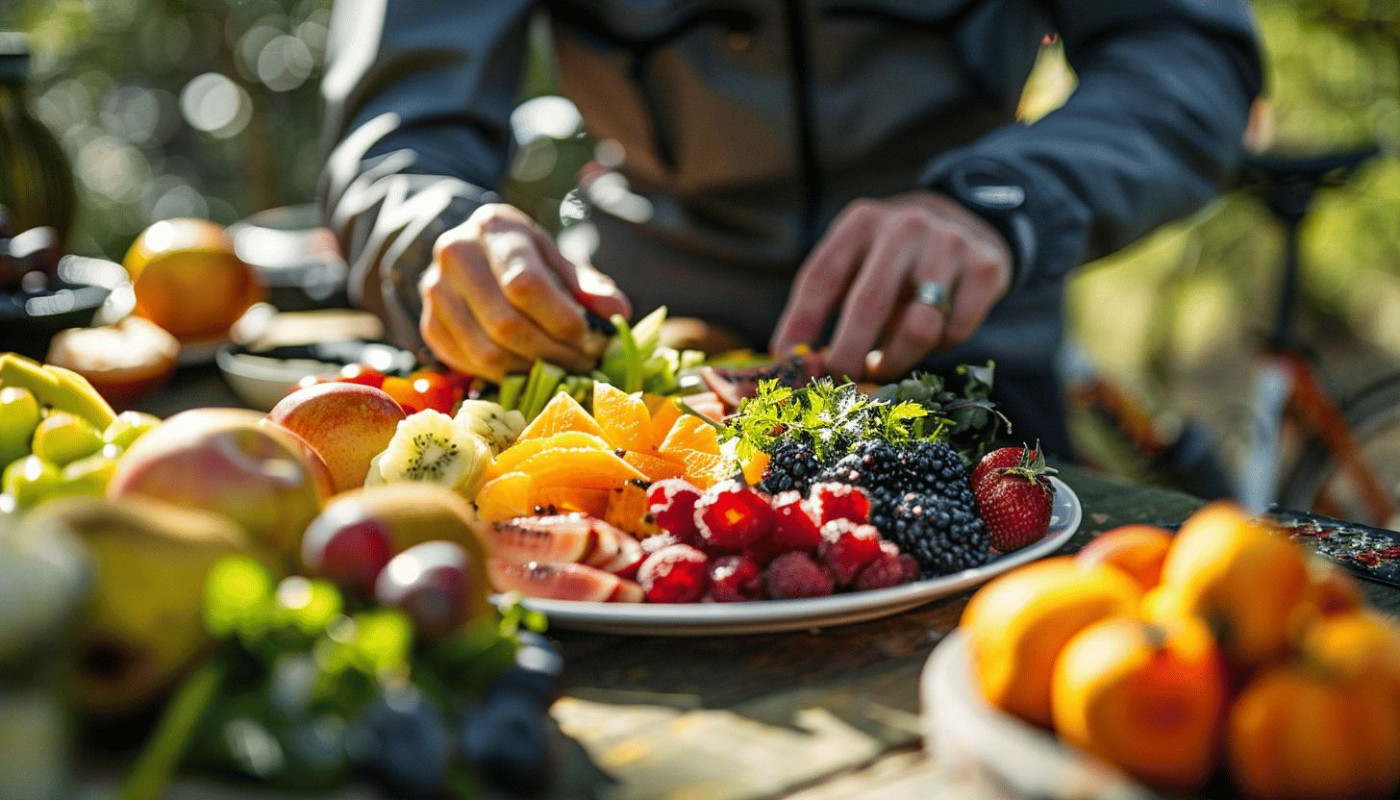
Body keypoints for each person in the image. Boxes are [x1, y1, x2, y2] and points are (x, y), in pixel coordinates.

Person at [318, 0, 1262, 458]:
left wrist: (1000, 202)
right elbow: (396, 141)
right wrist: (436, 229)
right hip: (632, 385)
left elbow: (1186, 50)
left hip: (971, 349)